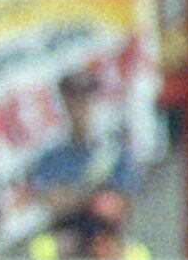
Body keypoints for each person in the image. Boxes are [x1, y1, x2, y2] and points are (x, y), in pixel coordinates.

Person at [26, 69, 137, 223]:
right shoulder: (53, 155)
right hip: (65, 234)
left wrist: (73, 194)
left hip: (104, 237)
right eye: (74, 101)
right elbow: (51, 202)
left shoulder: (113, 149)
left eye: (86, 100)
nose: (80, 108)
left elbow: (116, 204)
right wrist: (91, 192)